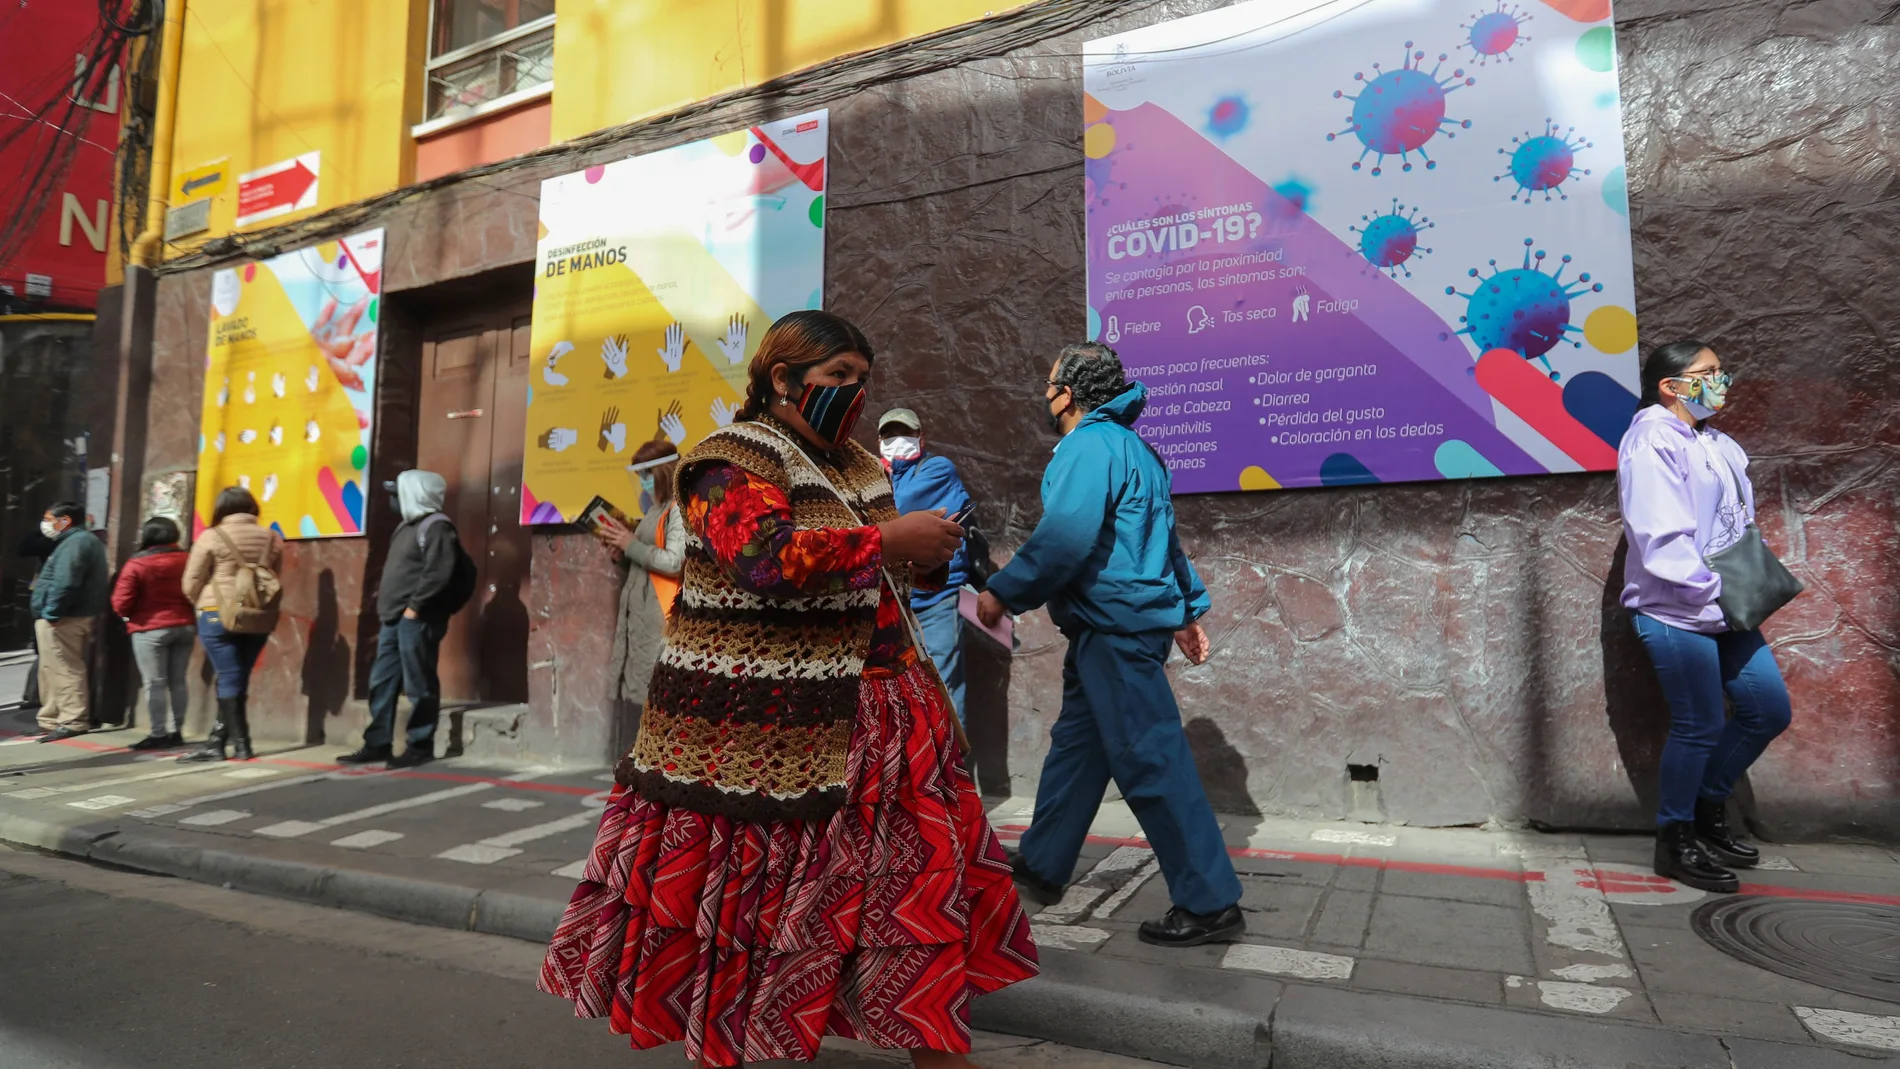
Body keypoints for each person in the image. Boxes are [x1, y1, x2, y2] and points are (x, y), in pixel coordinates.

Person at [539, 310, 1036, 1069]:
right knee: (763, 910)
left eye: (863, 381)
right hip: (765, 737)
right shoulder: (722, 463)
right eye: (838, 378)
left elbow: (874, 566)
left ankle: (938, 1050)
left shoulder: (861, 466)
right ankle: (734, 1044)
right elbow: (762, 561)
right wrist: (888, 542)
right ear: (783, 379)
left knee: (912, 898)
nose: (856, 395)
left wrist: (927, 557)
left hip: (888, 721)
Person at [976, 342, 1244, 949]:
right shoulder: (1136, 451)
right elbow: (1163, 541)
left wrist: (1003, 592)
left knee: (1152, 762)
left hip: (1115, 631)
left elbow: (1066, 538)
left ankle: (1209, 901)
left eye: (1050, 384)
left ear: (1067, 394)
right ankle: (1043, 862)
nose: (1046, 395)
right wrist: (1187, 609)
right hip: (1123, 627)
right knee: (1077, 750)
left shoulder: (1087, 447)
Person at [1619, 340, 1791, 894]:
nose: (1722, 381)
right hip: (1677, 608)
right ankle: (1675, 840)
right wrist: (1712, 589)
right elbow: (1660, 534)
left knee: (1767, 709)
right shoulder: (1651, 439)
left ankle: (1707, 808)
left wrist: (1737, 590)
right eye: (1710, 373)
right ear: (1672, 385)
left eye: (1721, 372)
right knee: (1699, 725)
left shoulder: (1713, 439)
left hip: (1729, 605)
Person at [338, 470, 465, 769]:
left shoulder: (437, 528)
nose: (394, 500)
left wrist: (415, 608)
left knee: (419, 683)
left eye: (398, 493)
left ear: (417, 493)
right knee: (381, 683)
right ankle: (377, 743)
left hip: (416, 621)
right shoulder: (406, 527)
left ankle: (419, 746)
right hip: (393, 621)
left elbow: (439, 573)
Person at [878, 407, 974, 723]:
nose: (896, 441)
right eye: (888, 435)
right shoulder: (879, 475)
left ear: (921, 437)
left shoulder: (936, 469)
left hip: (936, 603)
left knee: (943, 694)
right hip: (895, 608)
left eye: (903, 433)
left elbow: (899, 507)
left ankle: (954, 769)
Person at [180, 486, 283, 762]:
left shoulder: (212, 536)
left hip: (217, 612)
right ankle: (217, 741)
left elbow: (191, 580)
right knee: (237, 677)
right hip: (257, 615)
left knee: (228, 677)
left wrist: (201, 602)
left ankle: (242, 745)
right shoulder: (271, 537)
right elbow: (274, 577)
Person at [597, 438, 686, 712]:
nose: (643, 482)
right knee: (642, 697)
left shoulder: (677, 510)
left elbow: (674, 562)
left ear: (661, 473)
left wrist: (630, 544)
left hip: (661, 614)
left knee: (660, 694)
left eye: (646, 475)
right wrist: (622, 556)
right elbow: (644, 563)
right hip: (639, 615)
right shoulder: (652, 512)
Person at [111, 516, 198, 751]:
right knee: (178, 681)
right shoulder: (187, 559)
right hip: (185, 626)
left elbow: (121, 602)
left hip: (150, 628)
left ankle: (158, 733)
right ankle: (177, 731)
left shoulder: (138, 563)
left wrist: (129, 616)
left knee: (154, 683)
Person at [30, 501, 108, 742]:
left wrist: (52, 613)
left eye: (51, 518)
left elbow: (66, 582)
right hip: (59, 617)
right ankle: (51, 717)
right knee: (50, 670)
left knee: (65, 669)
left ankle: (73, 720)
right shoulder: (71, 542)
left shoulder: (77, 543)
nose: (47, 524)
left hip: (65, 618)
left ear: (66, 520)